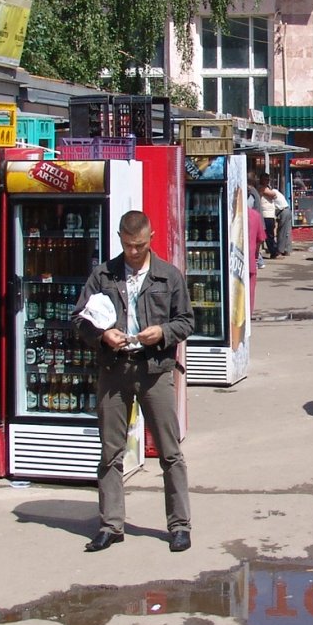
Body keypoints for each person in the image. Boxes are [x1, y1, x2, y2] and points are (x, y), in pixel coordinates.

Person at [72, 211, 195, 554]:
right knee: (110, 452)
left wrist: (163, 332)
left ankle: (179, 525)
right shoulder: (103, 275)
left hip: (154, 370)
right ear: (120, 240)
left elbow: (186, 321)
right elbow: (79, 320)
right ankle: (111, 525)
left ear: (151, 237)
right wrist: (101, 336)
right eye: (127, 246)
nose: (134, 252)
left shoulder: (168, 276)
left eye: (139, 246)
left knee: (170, 452)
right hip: (114, 368)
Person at [258, 182, 287, 258]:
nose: (267, 181)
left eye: (268, 179)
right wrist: (271, 193)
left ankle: (273, 251)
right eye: (265, 179)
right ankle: (274, 253)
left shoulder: (267, 188)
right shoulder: (262, 187)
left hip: (270, 215)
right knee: (269, 235)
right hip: (266, 215)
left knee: (270, 234)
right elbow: (273, 194)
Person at [246, 204, 267, 310]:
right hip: (249, 261)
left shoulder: (230, 214)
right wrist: (255, 257)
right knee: (249, 292)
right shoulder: (255, 215)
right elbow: (260, 239)